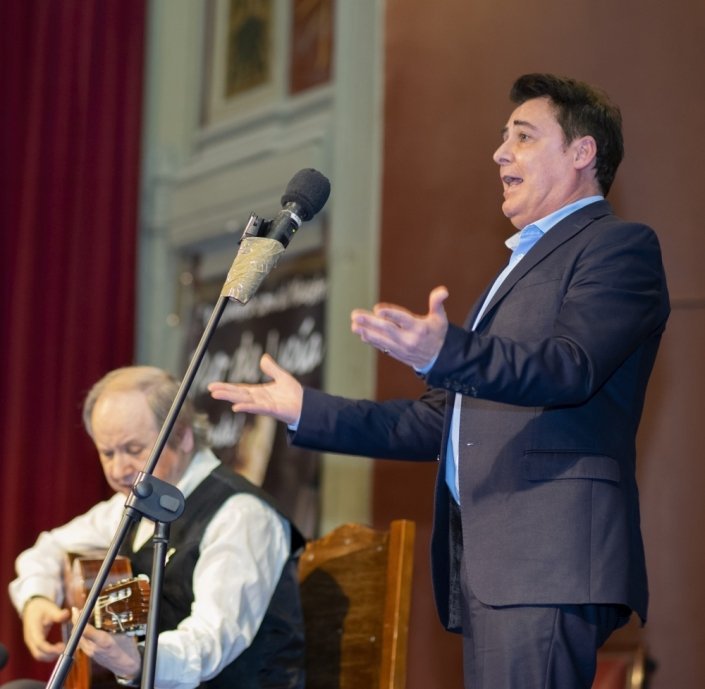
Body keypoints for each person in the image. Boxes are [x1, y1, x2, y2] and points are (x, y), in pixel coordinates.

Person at [207, 73, 670, 689]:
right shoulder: (515, 270)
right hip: (494, 568)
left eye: (524, 137)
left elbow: (570, 367)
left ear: (582, 152)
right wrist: (305, 410)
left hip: (545, 558)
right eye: (504, 137)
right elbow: (436, 423)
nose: (500, 153)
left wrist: (447, 351)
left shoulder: (618, 248)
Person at [8, 366, 305, 689]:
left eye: (134, 450)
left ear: (184, 436)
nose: (118, 469)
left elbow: (212, 638)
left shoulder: (241, 515)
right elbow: (49, 548)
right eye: (107, 453)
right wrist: (36, 598)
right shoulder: (128, 506)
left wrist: (137, 660)